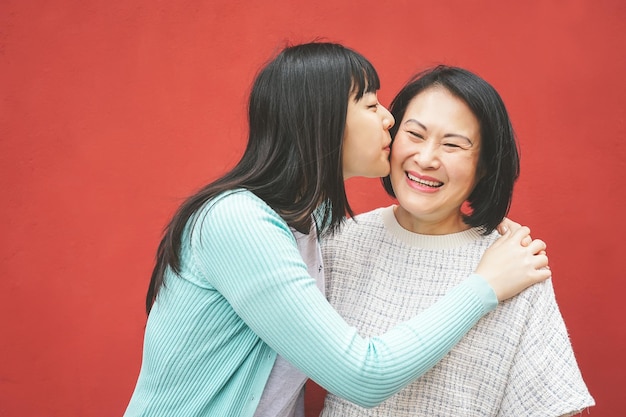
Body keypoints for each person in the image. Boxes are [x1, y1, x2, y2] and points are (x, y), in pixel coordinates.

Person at [123, 44, 551, 417]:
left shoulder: (310, 224)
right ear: (321, 120)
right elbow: (363, 377)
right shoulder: (237, 222)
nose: (389, 119)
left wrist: (480, 222)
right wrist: (484, 285)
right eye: (369, 104)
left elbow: (430, 220)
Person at [320, 65, 594, 417]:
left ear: (484, 166)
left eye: (452, 145)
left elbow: (550, 405)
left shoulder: (514, 263)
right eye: (415, 134)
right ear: (390, 136)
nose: (426, 159)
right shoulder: (339, 244)